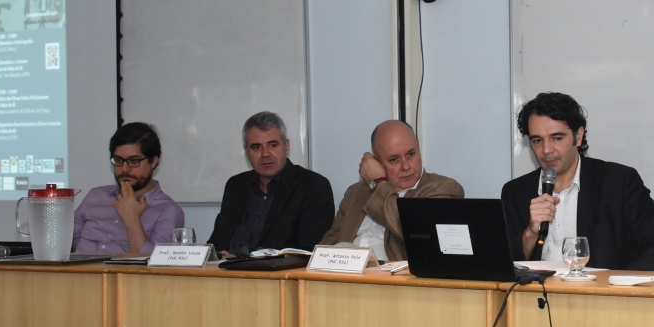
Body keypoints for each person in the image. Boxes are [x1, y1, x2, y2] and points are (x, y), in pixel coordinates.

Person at [501, 92, 654, 271]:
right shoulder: (515, 192)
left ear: (578, 136)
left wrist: (619, 282)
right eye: (537, 140)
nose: (546, 149)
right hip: (537, 289)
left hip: (599, 288)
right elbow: (501, 264)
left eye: (557, 138)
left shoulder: (619, 182)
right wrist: (530, 233)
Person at [320, 119, 464, 260]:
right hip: (343, 272)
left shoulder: (443, 188)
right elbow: (327, 245)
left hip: (393, 274)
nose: (406, 166)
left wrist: (379, 182)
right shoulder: (355, 192)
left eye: (411, 154)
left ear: (418, 147)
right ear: (377, 162)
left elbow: (417, 233)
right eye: (394, 159)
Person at [208, 111, 334, 256]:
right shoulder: (236, 185)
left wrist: (242, 261)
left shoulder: (313, 186)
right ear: (246, 152)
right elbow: (216, 243)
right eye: (256, 147)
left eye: (273, 145)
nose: (265, 154)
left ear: (286, 146)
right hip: (222, 268)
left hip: (275, 270)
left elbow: (307, 253)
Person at [73, 122, 184, 254]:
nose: (125, 169)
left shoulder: (168, 211)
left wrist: (132, 219)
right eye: (118, 160)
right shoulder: (95, 196)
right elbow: (66, 246)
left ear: (153, 161)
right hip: (82, 268)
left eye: (134, 161)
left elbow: (153, 263)